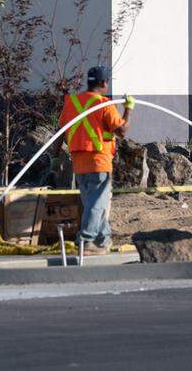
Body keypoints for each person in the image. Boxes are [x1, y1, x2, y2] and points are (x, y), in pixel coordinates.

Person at [59, 65, 134, 255]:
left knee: (93, 203)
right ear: (104, 83)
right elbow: (122, 131)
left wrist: (54, 158)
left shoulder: (72, 102)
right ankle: (87, 240)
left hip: (78, 163)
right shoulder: (104, 104)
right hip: (98, 161)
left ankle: (103, 240)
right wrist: (128, 109)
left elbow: (59, 133)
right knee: (98, 204)